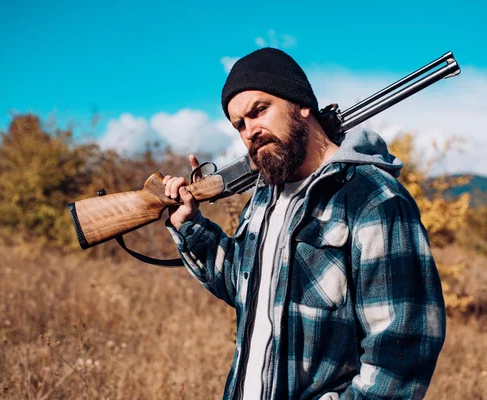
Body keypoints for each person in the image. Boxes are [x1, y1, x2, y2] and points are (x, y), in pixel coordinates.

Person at [162, 48, 445, 399]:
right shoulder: (266, 197)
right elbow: (248, 288)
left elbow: (402, 351)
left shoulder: (373, 198)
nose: (250, 131)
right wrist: (191, 225)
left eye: (259, 110)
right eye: (240, 124)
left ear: (301, 104)